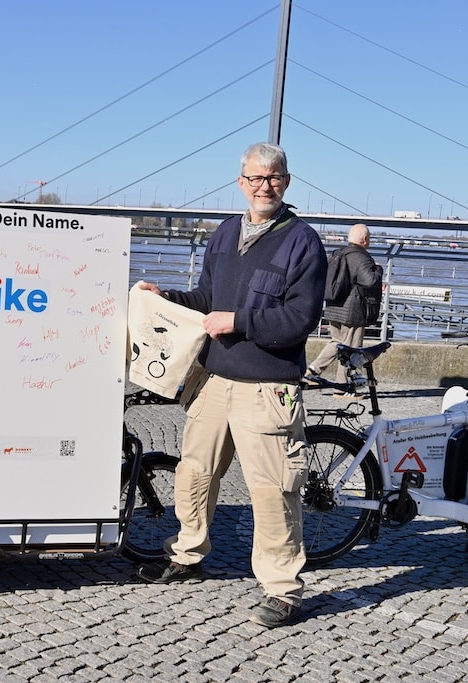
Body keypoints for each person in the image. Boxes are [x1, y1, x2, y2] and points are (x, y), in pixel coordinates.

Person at [134, 142, 326, 628]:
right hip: (216, 379)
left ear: (287, 180)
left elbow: (299, 320)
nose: (265, 186)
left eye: (274, 178)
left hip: (267, 388)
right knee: (195, 472)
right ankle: (188, 553)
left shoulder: (303, 242)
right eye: (256, 179)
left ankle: (283, 590)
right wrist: (167, 296)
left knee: (273, 489)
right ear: (241, 182)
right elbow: (204, 299)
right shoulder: (224, 234)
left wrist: (237, 321)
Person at [306, 223, 383, 390]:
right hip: (353, 311)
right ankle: (343, 386)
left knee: (336, 342)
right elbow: (370, 281)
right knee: (351, 348)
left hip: (334, 308)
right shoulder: (360, 257)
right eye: (368, 238)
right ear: (364, 239)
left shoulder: (338, 254)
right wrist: (378, 269)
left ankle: (312, 371)